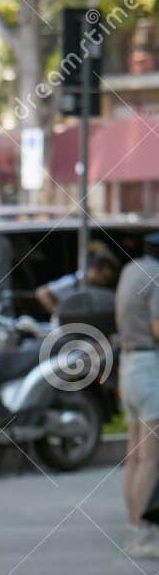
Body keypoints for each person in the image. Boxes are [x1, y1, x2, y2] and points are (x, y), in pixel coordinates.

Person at [115, 232, 159, 558]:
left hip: (128, 364)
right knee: (152, 459)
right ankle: (143, 535)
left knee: (134, 456)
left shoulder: (131, 269)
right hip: (149, 366)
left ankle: (133, 527)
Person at [37, 247, 119, 314]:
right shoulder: (73, 281)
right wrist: (58, 314)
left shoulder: (99, 287)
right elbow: (42, 292)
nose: (105, 282)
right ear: (94, 270)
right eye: (104, 277)